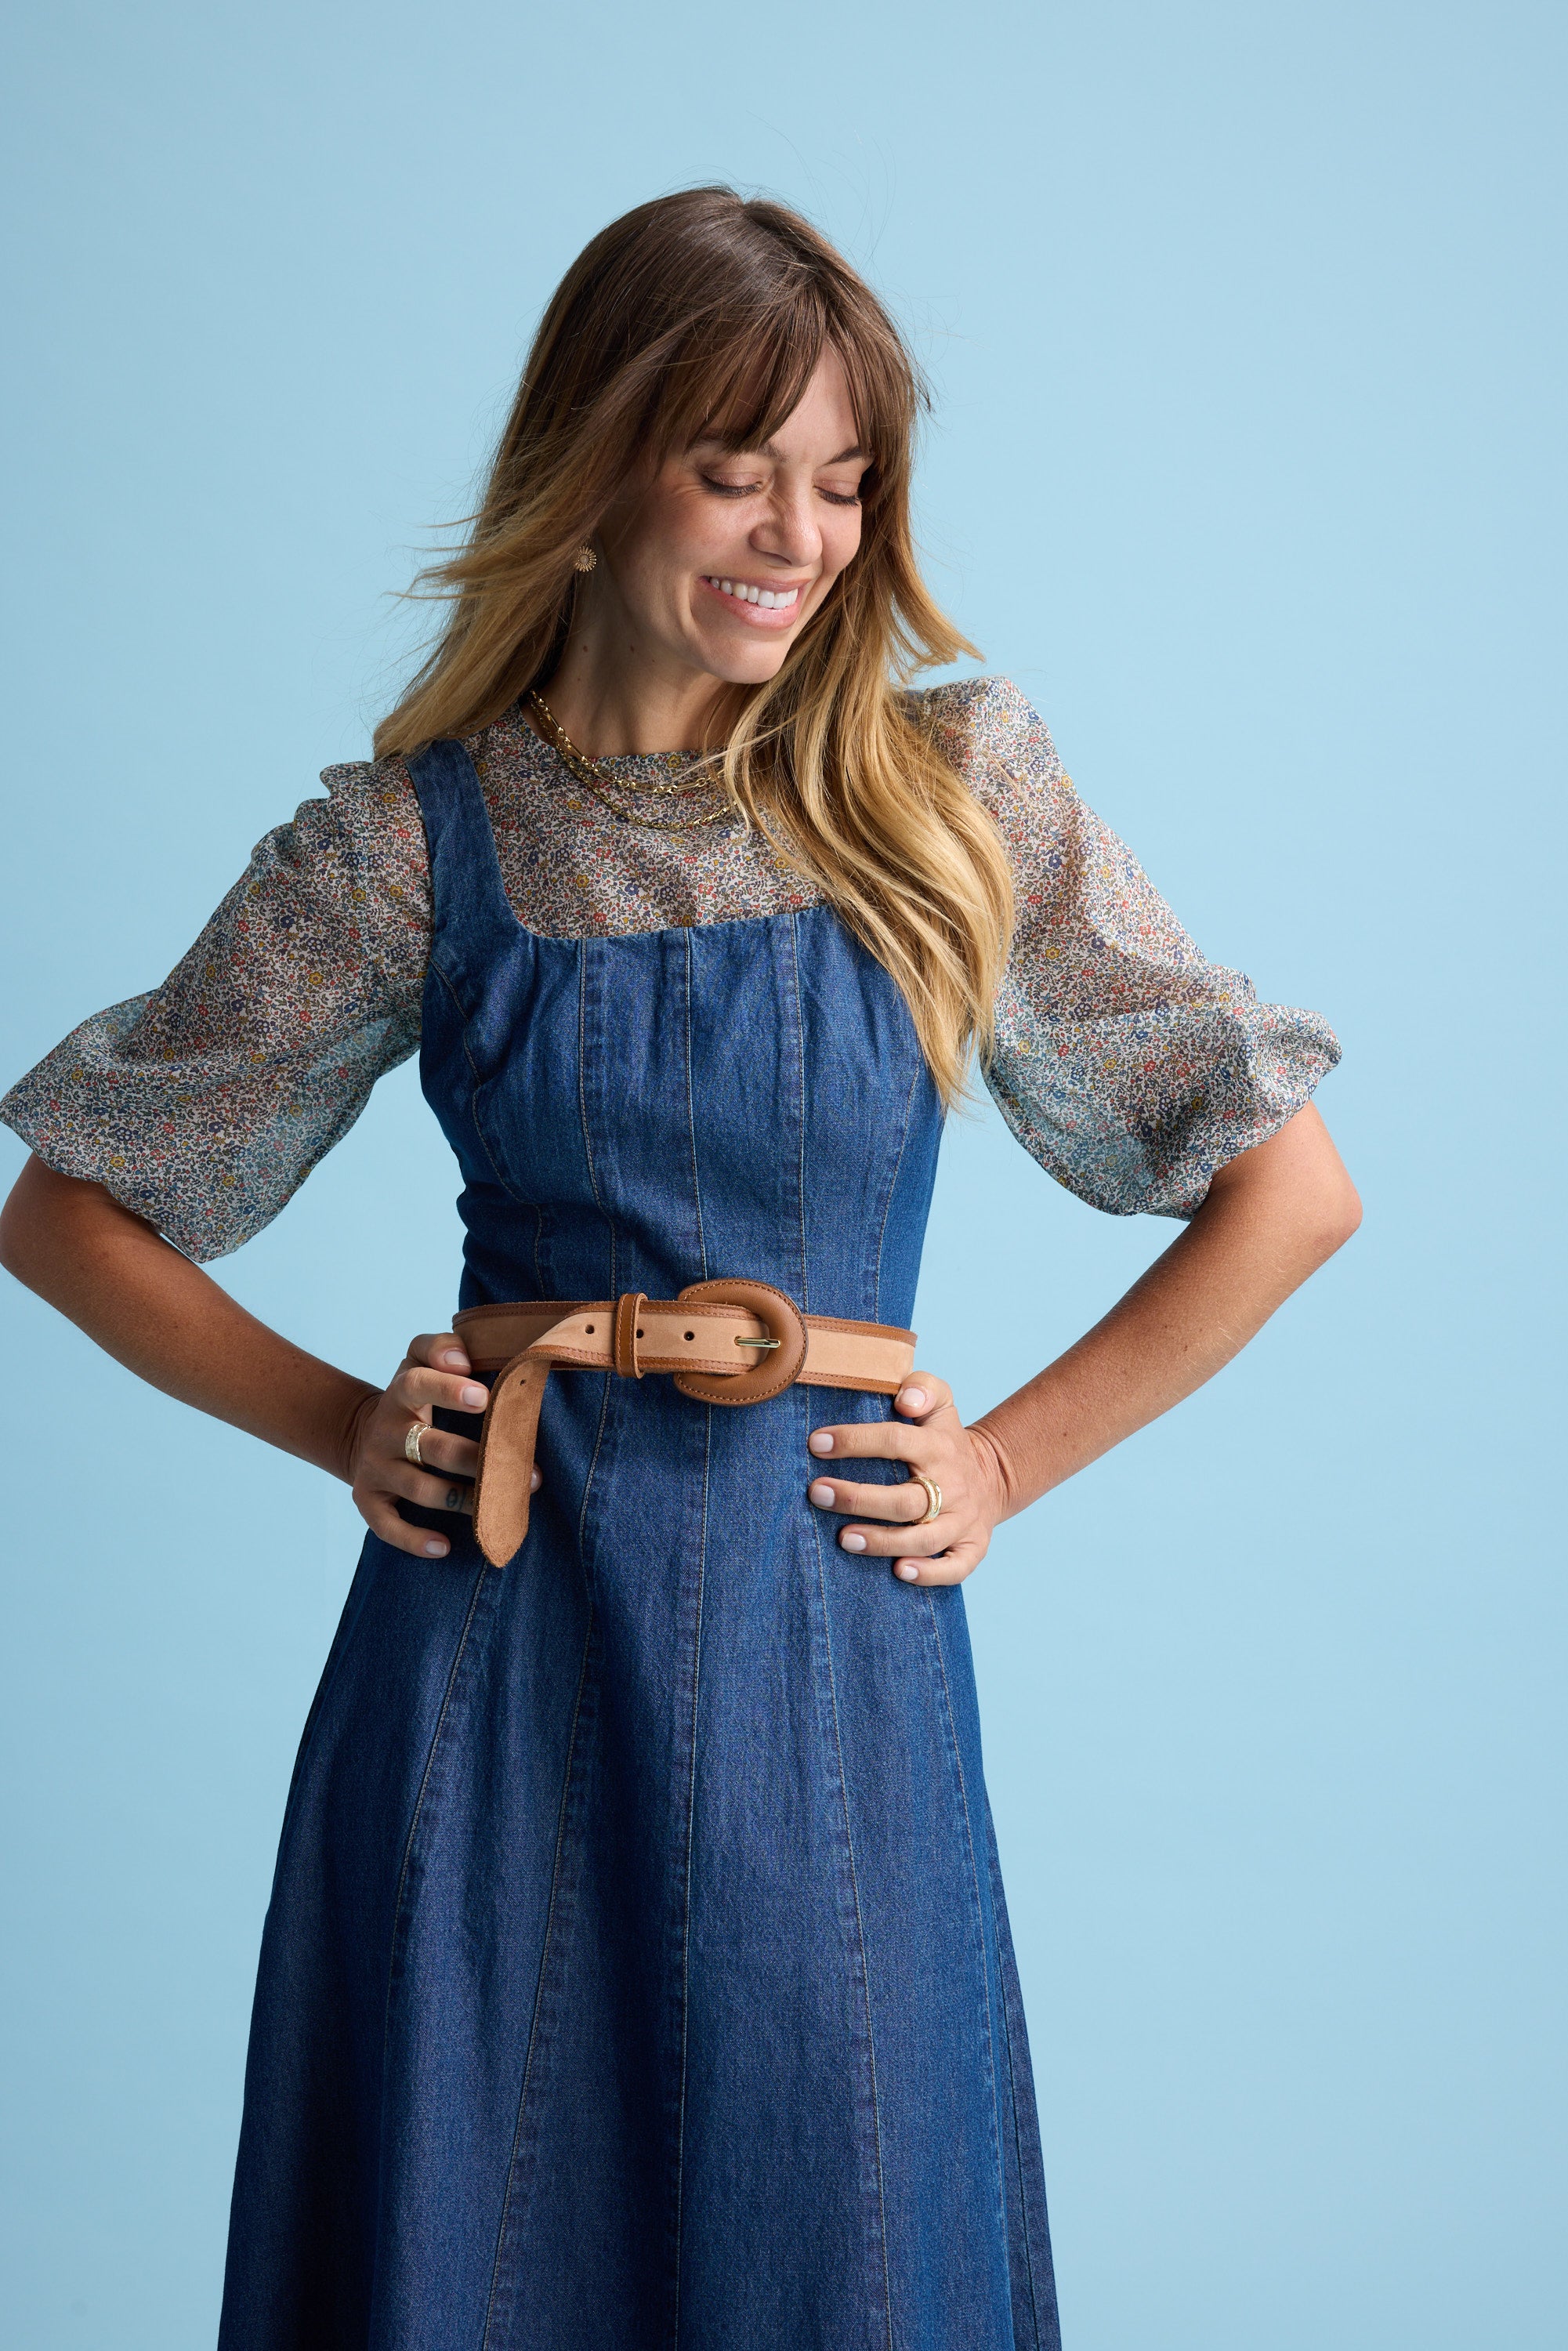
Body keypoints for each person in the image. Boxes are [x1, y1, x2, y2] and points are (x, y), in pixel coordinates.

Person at [0, 187, 1358, 2350]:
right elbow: (65, 1209)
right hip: (491, 1639)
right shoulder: (401, 844)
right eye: (735, 469)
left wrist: (1000, 1465)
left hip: (827, 1639)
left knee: (834, 2238)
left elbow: (1289, 1191)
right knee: (473, 2233)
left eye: (840, 484)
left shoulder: (945, 789)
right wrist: (350, 1425)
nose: (796, 534)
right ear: (593, 463)